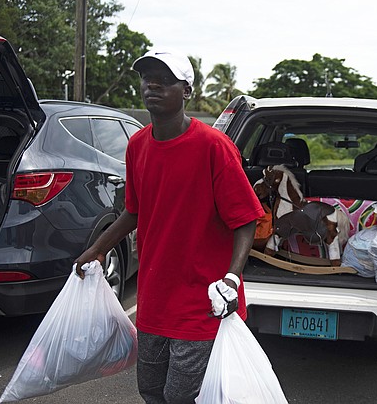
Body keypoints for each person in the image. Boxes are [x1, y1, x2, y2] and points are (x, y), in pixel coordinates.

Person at [74, 49, 264, 404]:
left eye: (165, 80)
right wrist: (98, 247)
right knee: (150, 391)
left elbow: (245, 219)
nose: (153, 86)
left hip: (201, 302)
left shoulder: (214, 147)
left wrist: (232, 279)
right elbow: (135, 211)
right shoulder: (137, 145)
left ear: (187, 91)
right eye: (147, 78)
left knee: (180, 396)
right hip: (154, 299)